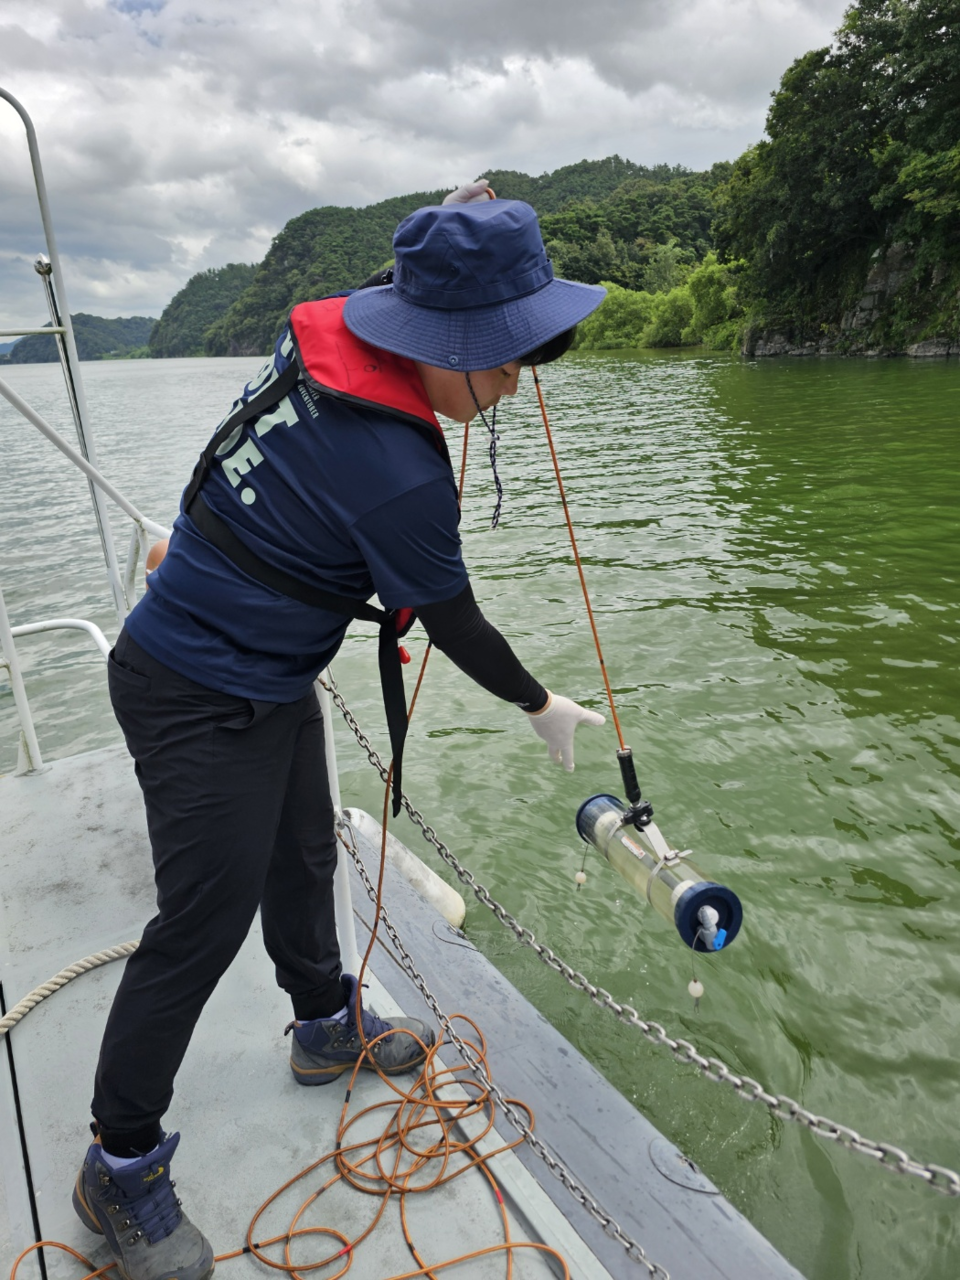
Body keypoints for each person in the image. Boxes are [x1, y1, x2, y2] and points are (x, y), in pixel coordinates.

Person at [71, 188, 607, 1280]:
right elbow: (452, 620)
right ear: (446, 347)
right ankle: (118, 1160)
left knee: (306, 849)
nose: (513, 386)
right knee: (200, 922)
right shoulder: (400, 473)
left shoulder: (351, 317)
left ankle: (324, 1020)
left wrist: (465, 214)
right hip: (190, 686)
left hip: (265, 673)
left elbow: (402, 280)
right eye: (506, 362)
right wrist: (543, 706)